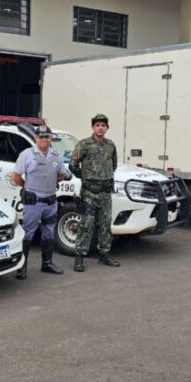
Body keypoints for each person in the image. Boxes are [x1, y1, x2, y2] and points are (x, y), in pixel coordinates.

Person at [12, 124, 71, 279]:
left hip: (50, 202)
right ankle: (21, 267)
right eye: (41, 137)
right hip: (33, 203)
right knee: (28, 234)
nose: (44, 139)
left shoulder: (56, 156)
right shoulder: (27, 154)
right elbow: (16, 177)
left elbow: (62, 175)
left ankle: (47, 263)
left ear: (50, 138)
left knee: (49, 232)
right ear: (35, 138)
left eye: (47, 137)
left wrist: (52, 180)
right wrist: (28, 188)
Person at [69, 113, 120, 272]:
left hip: (105, 193)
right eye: (97, 125)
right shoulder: (84, 144)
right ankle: (79, 257)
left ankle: (104, 255)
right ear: (93, 127)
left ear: (107, 128)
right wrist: (85, 178)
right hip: (89, 193)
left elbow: (114, 165)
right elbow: (73, 164)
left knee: (105, 224)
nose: (100, 128)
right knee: (86, 225)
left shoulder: (110, 145)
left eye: (103, 125)